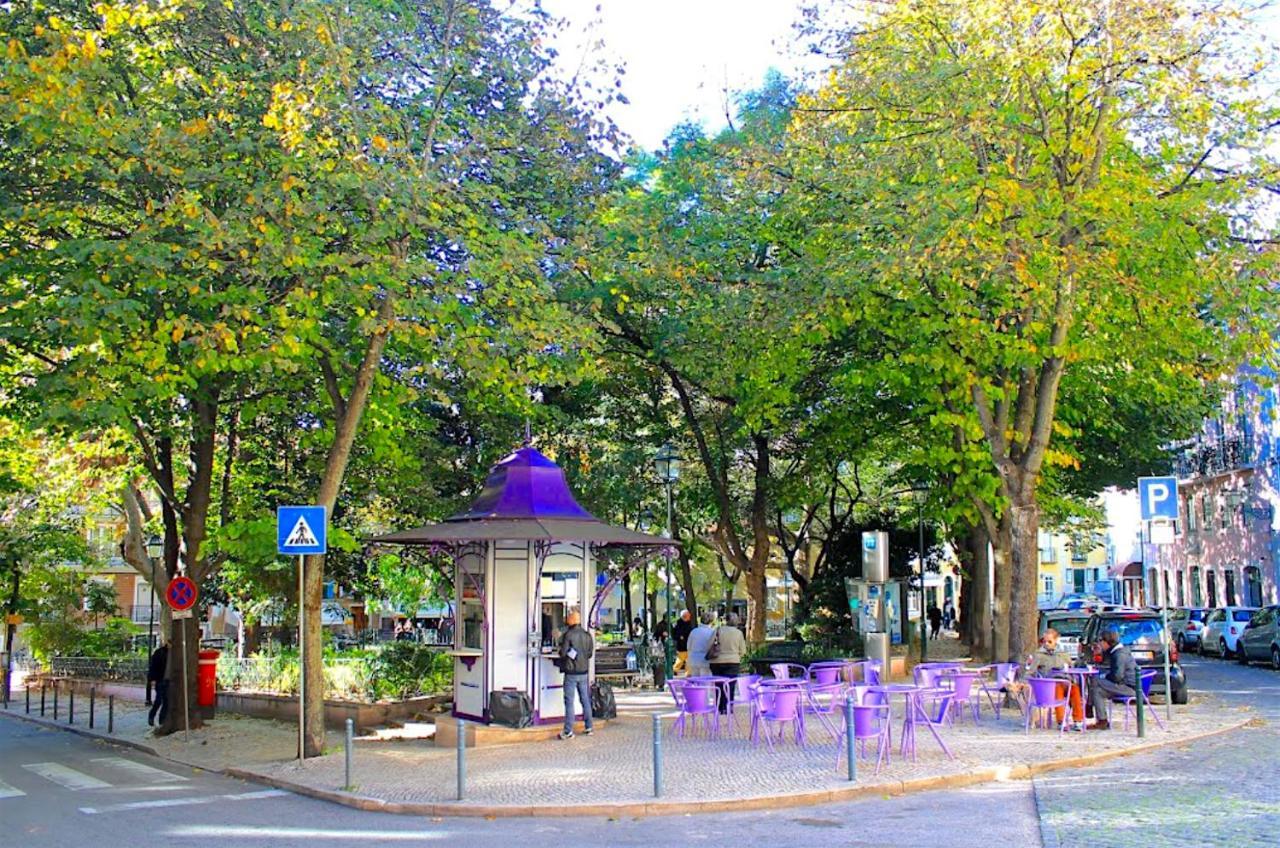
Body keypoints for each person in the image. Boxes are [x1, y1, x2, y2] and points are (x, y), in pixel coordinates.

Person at [1030, 628, 1085, 730]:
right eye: (1044, 641)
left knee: (1075, 690)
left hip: (1065, 680)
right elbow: (1031, 671)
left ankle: (1078, 720)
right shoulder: (1039, 655)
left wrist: (1070, 672)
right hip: (1049, 683)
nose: (1046, 644)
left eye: (1049, 641)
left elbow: (1070, 667)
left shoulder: (1063, 654)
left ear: (1056, 640)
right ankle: (1061, 721)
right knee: (1057, 689)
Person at [1086, 629, 1137, 730]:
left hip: (1129, 688)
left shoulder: (1119, 655)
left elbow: (1117, 677)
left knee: (1095, 680)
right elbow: (1106, 665)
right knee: (1097, 691)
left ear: (1106, 642)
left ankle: (1088, 706)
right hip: (1124, 685)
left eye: (1101, 641)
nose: (1100, 643)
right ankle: (1102, 720)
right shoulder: (1115, 651)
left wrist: (1105, 677)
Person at [557, 609, 594, 739]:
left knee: (569, 701)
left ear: (571, 620)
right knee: (585, 699)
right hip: (584, 672)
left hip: (571, 672)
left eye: (568, 618)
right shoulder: (587, 635)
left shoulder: (568, 635)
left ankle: (568, 730)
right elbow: (590, 653)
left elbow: (562, 653)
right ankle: (589, 727)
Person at [707, 613, 748, 713]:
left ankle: (719, 706)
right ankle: (728, 707)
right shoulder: (738, 633)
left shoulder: (718, 630)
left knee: (718, 684)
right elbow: (743, 651)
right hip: (732, 662)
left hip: (717, 661)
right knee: (730, 685)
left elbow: (709, 644)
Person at [685, 609, 717, 678]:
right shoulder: (712, 632)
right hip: (706, 661)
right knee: (706, 683)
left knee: (695, 681)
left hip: (693, 660)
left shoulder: (694, 631)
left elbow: (688, 646)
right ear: (711, 621)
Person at [147, 641, 170, 727]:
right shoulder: (159, 652)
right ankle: (151, 716)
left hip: (169, 680)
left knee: (167, 701)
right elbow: (153, 666)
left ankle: (162, 720)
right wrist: (152, 679)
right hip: (160, 679)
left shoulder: (174, 654)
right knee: (158, 700)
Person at [672, 610, 693, 675]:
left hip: (689, 644)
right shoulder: (678, 624)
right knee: (680, 659)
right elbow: (675, 634)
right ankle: (674, 669)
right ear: (685, 616)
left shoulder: (689, 623)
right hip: (682, 645)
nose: (690, 616)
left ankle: (688, 673)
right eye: (688, 615)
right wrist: (680, 637)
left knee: (689, 661)